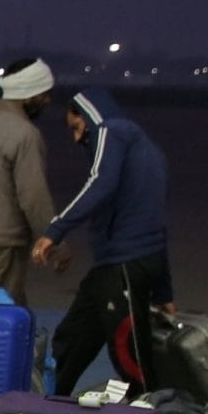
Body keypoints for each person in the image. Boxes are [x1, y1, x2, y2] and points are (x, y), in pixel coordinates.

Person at [36, 86, 172, 394]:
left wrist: (56, 230)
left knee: (129, 354)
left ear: (88, 115)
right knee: (72, 338)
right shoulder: (148, 150)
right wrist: (164, 289)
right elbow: (158, 222)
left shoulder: (111, 131)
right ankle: (50, 401)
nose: (76, 138)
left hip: (125, 264)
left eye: (76, 127)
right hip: (121, 265)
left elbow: (100, 182)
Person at [0, 57, 60, 303]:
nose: (48, 100)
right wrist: (54, 241)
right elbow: (34, 197)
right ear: (28, 94)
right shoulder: (25, 134)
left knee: (9, 306)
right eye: (44, 94)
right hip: (5, 240)